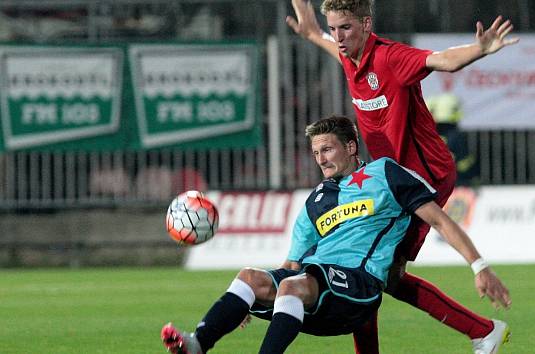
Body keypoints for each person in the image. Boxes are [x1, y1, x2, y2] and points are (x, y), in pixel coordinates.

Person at [160, 115, 511, 354]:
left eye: (327, 149)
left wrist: (479, 266)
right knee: (251, 277)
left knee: (294, 284)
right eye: (316, 153)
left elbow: (439, 220)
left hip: (360, 286)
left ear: (351, 146)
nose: (322, 159)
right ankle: (197, 344)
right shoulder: (316, 200)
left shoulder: (385, 174)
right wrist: (249, 301)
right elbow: (290, 264)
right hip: (319, 289)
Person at [286, 1, 517, 353]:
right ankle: (482, 331)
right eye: (333, 28)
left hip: (426, 173)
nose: (338, 37)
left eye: (344, 28)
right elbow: (331, 45)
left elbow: (443, 60)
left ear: (366, 23)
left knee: (377, 272)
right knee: (375, 272)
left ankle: (483, 330)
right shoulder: (350, 57)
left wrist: (480, 50)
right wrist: (312, 32)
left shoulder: (390, 58)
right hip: (389, 177)